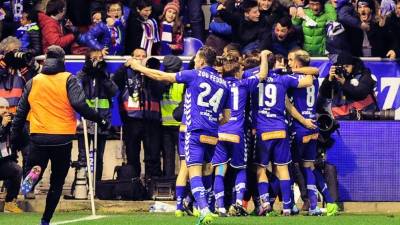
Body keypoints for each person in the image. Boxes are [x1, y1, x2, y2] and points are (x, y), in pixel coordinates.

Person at [127, 46, 230, 225]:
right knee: (206, 171)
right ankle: (206, 207)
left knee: (193, 171)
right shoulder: (223, 83)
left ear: (202, 61)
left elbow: (162, 77)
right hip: (212, 134)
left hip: (195, 131)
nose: (195, 61)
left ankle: (204, 210)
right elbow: (227, 117)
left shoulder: (194, 74)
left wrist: (138, 67)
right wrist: (211, 122)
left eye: (197, 58)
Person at [10, 45, 109, 225]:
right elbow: (80, 105)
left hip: (38, 136)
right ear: (62, 61)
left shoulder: (34, 81)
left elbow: (20, 112)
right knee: (56, 182)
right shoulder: (68, 79)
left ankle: (34, 176)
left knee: (35, 166)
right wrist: (99, 119)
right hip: (62, 137)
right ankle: (45, 220)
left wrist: (15, 138)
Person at [253, 51, 316, 216]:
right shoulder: (284, 79)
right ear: (276, 64)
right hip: (280, 129)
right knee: (282, 169)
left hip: (262, 131)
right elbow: (310, 80)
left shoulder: (254, 76)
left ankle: (265, 203)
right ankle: (287, 207)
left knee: (260, 169)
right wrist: (294, 71)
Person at [211, 50, 270, 217]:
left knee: (220, 170)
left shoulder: (218, 85)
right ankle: (237, 203)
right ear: (237, 72)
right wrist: (264, 56)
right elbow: (263, 73)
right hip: (237, 133)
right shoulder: (244, 84)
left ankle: (220, 207)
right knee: (240, 169)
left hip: (220, 133)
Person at [286, 49, 338, 216]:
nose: (288, 63)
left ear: (296, 63)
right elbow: (314, 71)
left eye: (290, 60)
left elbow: (289, 105)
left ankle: (290, 205)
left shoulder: (293, 78)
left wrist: (301, 121)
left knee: (288, 167)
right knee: (309, 167)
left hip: (299, 127)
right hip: (313, 127)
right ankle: (318, 205)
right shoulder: (313, 79)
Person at [112, 48, 163, 178]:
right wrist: (125, 66)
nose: (140, 59)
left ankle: (153, 184)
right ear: (132, 58)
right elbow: (113, 82)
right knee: (132, 155)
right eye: (137, 56)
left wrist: (148, 72)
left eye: (143, 56)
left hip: (152, 119)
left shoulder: (153, 72)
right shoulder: (125, 72)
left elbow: (161, 90)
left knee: (153, 155)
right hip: (131, 119)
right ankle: (134, 185)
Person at [76, 49, 118, 181]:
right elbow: (76, 86)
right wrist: (85, 70)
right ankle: (81, 185)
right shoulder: (81, 75)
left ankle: (96, 184)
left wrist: (103, 76)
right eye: (94, 58)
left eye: (100, 58)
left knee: (99, 156)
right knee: (83, 156)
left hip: (102, 122)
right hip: (85, 123)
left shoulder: (106, 76)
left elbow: (114, 91)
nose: (98, 61)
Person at [318, 52, 378, 120]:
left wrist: (344, 83)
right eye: (342, 67)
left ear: (353, 65)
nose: (344, 69)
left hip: (364, 116)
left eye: (347, 66)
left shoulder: (363, 74)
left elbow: (361, 93)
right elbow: (324, 94)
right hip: (342, 118)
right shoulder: (336, 75)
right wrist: (329, 80)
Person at [160, 55, 184, 177]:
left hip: (166, 124)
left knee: (168, 157)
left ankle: (168, 184)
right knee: (183, 157)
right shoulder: (182, 82)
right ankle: (181, 185)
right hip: (179, 125)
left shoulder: (161, 80)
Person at [0, 97, 23, 213]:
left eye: (7, 107)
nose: (5, 110)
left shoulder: (11, 123)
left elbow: (18, 142)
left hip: (2, 162)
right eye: (1, 107)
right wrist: (2, 127)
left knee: (16, 170)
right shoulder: (4, 124)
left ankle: (9, 203)